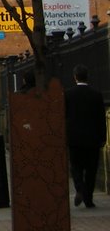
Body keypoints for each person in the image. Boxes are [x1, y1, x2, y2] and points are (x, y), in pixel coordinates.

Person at [64, 64, 107, 208]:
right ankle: (88, 198)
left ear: (75, 77)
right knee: (91, 169)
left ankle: (79, 188)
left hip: (74, 138)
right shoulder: (96, 94)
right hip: (92, 138)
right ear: (87, 76)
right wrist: (103, 137)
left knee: (76, 166)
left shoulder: (68, 94)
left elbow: (64, 116)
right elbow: (101, 118)